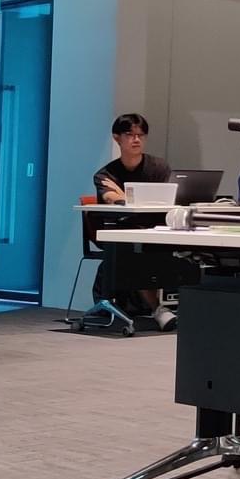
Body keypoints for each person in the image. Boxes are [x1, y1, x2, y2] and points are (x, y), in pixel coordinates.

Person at [92, 113, 176, 330]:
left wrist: (124, 194)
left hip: (156, 229)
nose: (136, 139)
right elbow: (113, 199)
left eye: (141, 135)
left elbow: (167, 198)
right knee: (135, 254)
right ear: (117, 138)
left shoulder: (158, 167)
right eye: (130, 135)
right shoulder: (106, 173)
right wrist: (121, 197)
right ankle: (159, 310)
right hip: (120, 231)